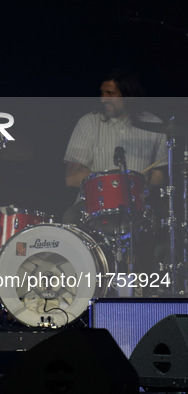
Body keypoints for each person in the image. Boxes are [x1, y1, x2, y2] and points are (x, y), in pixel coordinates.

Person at [63, 69, 167, 275]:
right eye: (102, 93)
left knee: (166, 225)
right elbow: (71, 176)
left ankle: (151, 288)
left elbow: (160, 174)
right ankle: (80, 282)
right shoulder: (88, 123)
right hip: (92, 206)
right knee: (69, 217)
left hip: (139, 204)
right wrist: (110, 185)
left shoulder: (155, 125)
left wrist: (144, 189)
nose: (103, 99)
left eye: (110, 94)